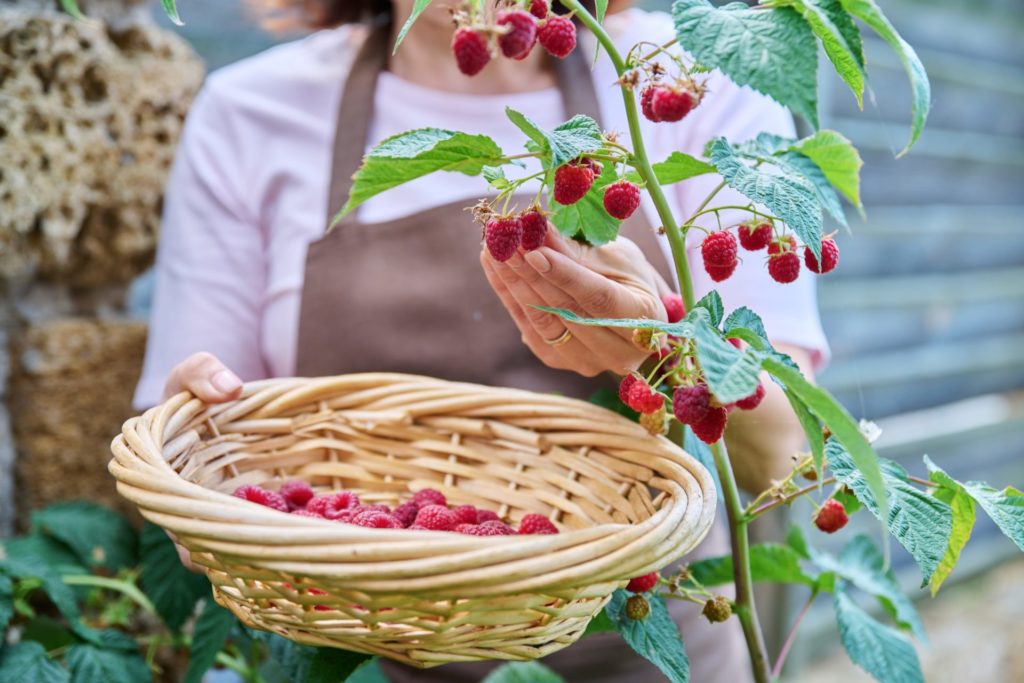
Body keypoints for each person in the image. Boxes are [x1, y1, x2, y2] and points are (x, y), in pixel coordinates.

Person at [135, 1, 829, 680]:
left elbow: (785, 451)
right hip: (356, 648)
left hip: (646, 653)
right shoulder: (249, 114)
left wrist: (661, 347)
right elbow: (207, 457)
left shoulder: (685, 86)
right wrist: (199, 467)